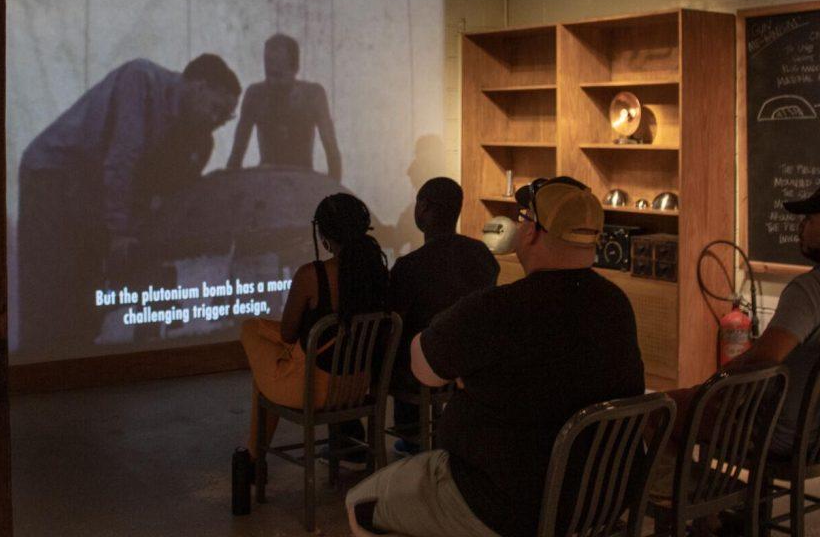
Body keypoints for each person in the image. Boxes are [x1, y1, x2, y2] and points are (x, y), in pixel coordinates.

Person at [346, 177, 644, 537]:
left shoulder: (499, 310)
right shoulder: (616, 306)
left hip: (502, 506)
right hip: (597, 501)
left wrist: (465, 369)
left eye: (522, 218)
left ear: (532, 231)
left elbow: (423, 368)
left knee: (359, 505)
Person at [16, 55, 241, 359]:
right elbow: (122, 161)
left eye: (225, 118)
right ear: (199, 87)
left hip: (94, 189)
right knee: (53, 285)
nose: (217, 122)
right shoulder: (141, 81)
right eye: (216, 109)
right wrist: (121, 233)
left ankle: (78, 365)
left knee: (89, 287)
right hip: (53, 174)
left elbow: (168, 194)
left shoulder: (198, 140)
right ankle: (39, 369)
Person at [726, 183, 820, 455]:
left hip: (775, 436)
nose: (800, 227)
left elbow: (762, 360)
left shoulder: (813, 289)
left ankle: (700, 493)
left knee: (669, 411)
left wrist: (713, 384)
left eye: (809, 219)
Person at [238, 193, 389, 462]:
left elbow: (287, 333)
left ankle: (252, 458)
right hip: (358, 388)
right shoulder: (378, 271)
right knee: (275, 352)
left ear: (324, 235)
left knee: (252, 331)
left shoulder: (311, 275)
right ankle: (346, 449)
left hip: (314, 393)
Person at [387, 176, 498, 451]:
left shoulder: (410, 266)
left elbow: (392, 324)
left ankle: (410, 436)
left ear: (423, 207)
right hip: (470, 362)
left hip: (423, 370)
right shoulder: (482, 254)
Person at [226, 33, 342, 181]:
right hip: (267, 180)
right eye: (269, 74)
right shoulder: (255, 95)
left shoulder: (313, 96)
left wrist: (335, 192)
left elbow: (332, 151)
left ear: (295, 69)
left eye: (279, 75)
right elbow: (237, 154)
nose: (273, 82)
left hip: (303, 179)